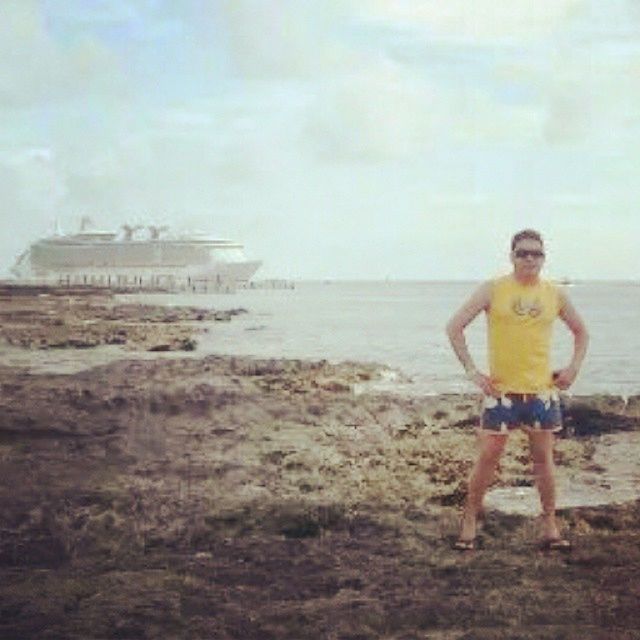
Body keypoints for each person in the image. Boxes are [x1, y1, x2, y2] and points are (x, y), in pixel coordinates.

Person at [446, 229, 588, 551]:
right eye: (522, 253)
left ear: (543, 258)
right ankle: (470, 518)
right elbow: (454, 327)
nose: (529, 258)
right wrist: (472, 371)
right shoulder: (493, 290)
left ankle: (550, 523)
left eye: (535, 253)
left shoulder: (554, 294)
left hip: (541, 393)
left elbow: (581, 332)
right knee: (488, 458)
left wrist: (573, 368)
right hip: (501, 394)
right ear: (511, 256)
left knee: (543, 461)